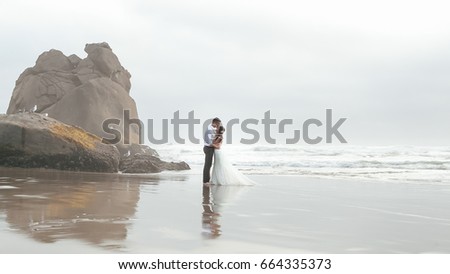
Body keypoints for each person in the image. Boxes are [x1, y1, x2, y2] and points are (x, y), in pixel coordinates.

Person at [203, 117, 221, 184]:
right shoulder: (209, 130)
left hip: (209, 148)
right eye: (218, 123)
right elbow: (209, 143)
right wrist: (216, 146)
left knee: (209, 165)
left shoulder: (211, 128)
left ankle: (207, 180)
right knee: (208, 165)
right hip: (208, 148)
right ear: (214, 123)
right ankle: (206, 181)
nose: (218, 125)